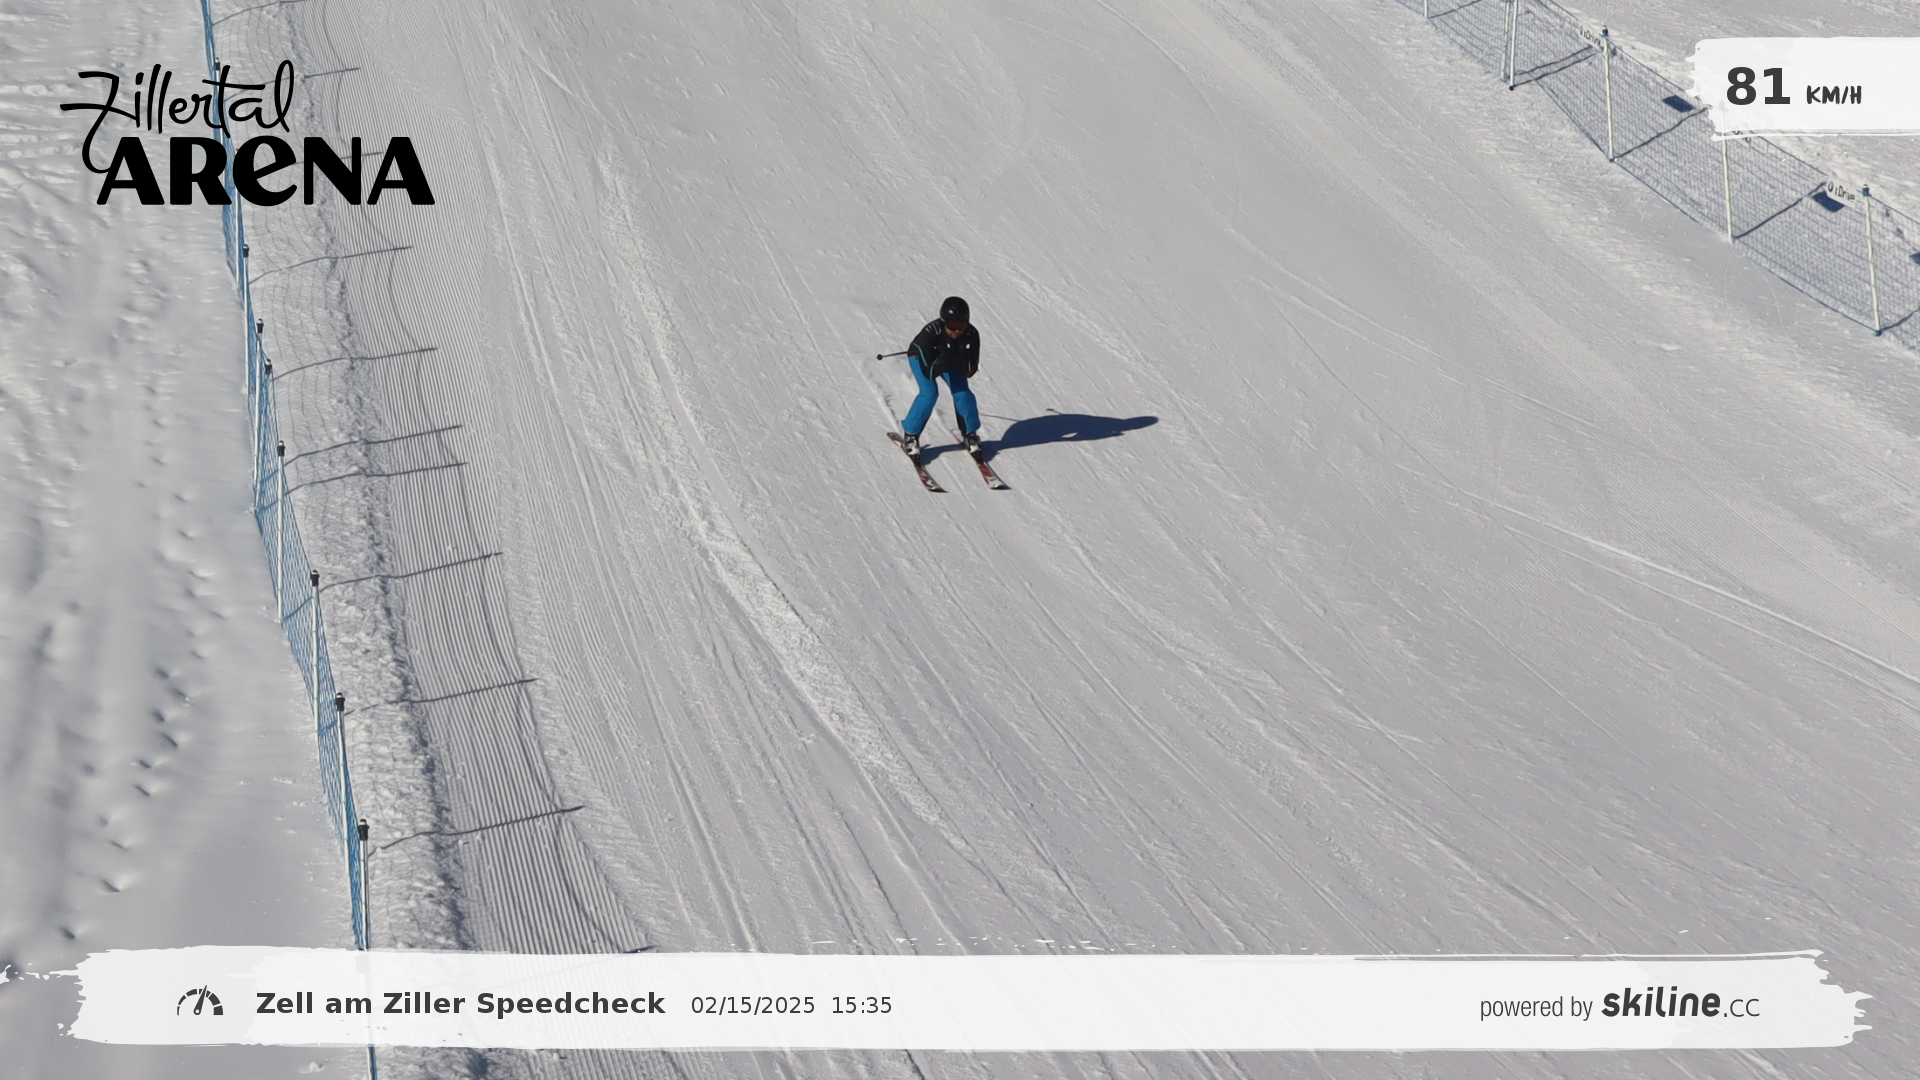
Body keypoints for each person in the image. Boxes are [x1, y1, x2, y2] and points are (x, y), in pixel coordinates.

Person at [899, 296, 981, 457]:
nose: (957, 331)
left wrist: (963, 355)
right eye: (953, 326)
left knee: (963, 393)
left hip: (949, 360)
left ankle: (970, 434)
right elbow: (928, 373)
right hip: (921, 359)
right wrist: (945, 357)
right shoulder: (929, 333)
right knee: (929, 393)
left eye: (961, 326)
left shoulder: (971, 334)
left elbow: (970, 372)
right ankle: (910, 435)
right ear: (943, 321)